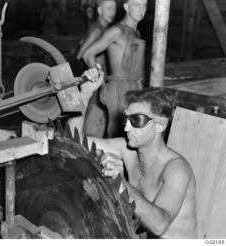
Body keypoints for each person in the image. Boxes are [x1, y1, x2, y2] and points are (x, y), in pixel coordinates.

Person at [68, 66, 197, 238]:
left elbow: (160, 225)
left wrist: (121, 183)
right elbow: (73, 142)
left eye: (136, 120)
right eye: (126, 118)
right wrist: (84, 93)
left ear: (160, 125)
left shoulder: (177, 169)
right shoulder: (127, 149)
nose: (127, 127)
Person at [82, 0, 147, 137]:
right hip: (118, 89)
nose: (141, 9)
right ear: (126, 7)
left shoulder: (136, 33)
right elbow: (88, 54)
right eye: (137, 4)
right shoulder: (117, 30)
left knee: (132, 133)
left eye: (144, 5)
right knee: (116, 135)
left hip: (135, 88)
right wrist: (102, 82)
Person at [77, 0, 117, 138]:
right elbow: (80, 55)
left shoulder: (106, 29)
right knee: (94, 119)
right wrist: (96, 73)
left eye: (114, 9)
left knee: (101, 119)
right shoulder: (96, 29)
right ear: (99, 11)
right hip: (95, 80)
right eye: (109, 9)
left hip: (101, 79)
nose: (112, 12)